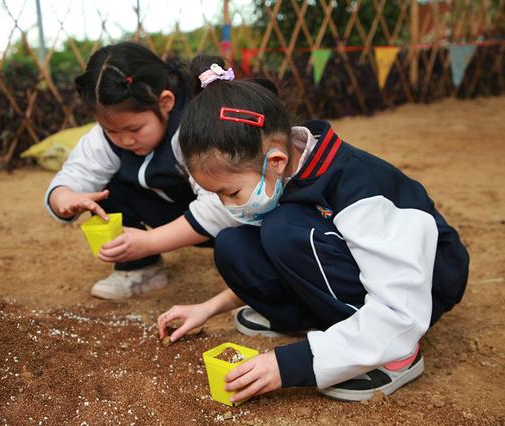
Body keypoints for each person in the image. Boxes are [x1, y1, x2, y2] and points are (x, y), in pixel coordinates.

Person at [158, 60, 469, 402]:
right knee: (233, 244)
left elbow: (401, 310)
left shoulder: (356, 187)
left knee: (284, 228)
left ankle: (397, 357)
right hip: (355, 269)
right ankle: (326, 323)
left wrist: (287, 365)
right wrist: (208, 307)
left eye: (230, 192)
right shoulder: (280, 168)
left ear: (274, 161)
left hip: (419, 290)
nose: (228, 205)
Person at [45, 43, 236, 299]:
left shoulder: (197, 128)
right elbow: (78, 172)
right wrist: (64, 198)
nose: (124, 140)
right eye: (112, 130)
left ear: (165, 102)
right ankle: (140, 270)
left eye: (134, 129)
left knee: (242, 243)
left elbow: (222, 206)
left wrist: (149, 242)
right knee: (104, 188)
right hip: (174, 212)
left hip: (231, 223)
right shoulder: (106, 138)